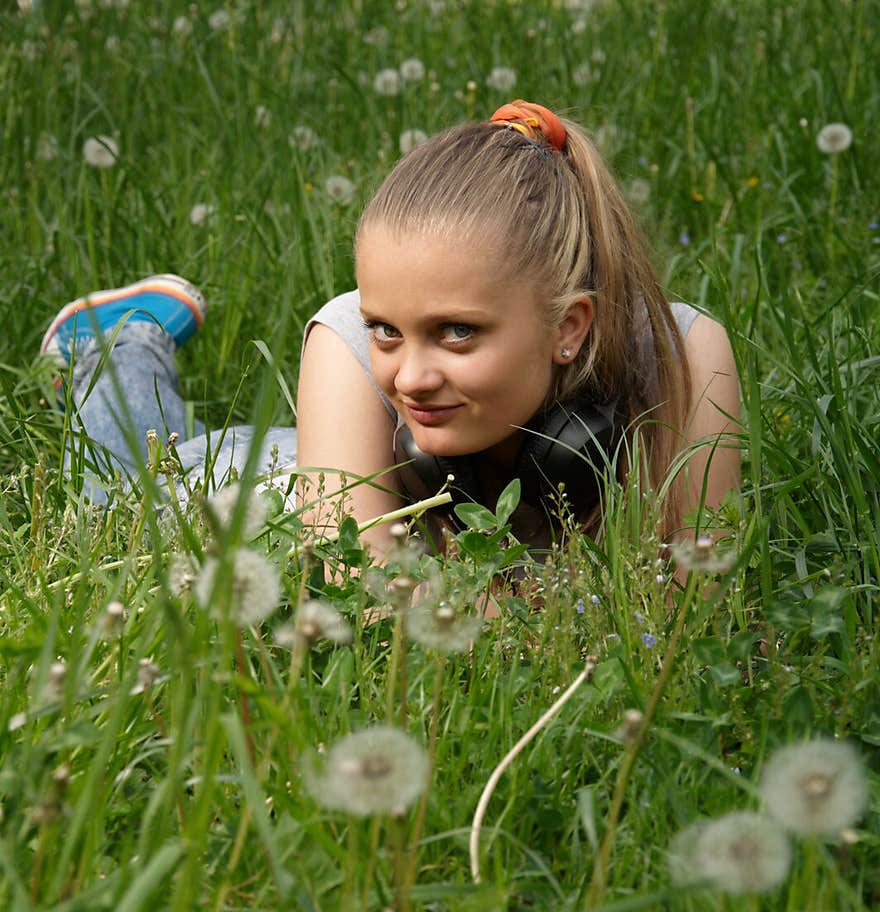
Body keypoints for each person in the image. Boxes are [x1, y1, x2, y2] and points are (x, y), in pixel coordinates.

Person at [42, 101, 741, 570]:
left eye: (458, 332)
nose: (409, 377)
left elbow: (697, 601)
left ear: (569, 327)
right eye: (387, 329)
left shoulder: (682, 357)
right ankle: (118, 346)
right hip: (263, 482)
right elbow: (367, 599)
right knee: (121, 489)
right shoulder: (344, 347)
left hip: (332, 456)